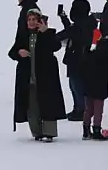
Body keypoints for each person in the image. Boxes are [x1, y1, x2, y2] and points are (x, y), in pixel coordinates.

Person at [8, 9, 66, 141]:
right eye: (29, 20)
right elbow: (12, 52)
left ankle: (49, 132)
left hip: (46, 77)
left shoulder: (47, 34)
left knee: (48, 103)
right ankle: (37, 132)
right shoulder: (23, 35)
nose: (31, 22)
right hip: (28, 78)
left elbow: (56, 46)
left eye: (34, 19)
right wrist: (19, 52)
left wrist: (46, 32)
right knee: (31, 106)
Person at [56, 0, 95, 121]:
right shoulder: (88, 22)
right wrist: (63, 18)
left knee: (76, 86)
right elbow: (71, 29)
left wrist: (48, 34)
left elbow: (66, 33)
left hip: (77, 60)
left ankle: (80, 110)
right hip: (82, 59)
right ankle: (79, 108)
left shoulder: (80, 25)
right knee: (76, 85)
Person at [82, 48, 108, 141]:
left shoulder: (87, 51)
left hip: (88, 83)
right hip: (100, 84)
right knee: (98, 109)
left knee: (88, 109)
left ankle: (86, 130)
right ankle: (96, 129)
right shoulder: (105, 54)